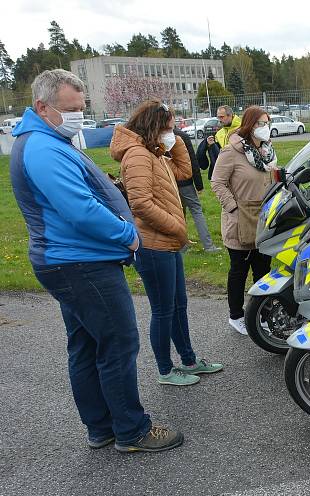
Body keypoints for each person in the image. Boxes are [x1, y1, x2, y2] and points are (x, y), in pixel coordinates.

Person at [9, 69, 182, 452]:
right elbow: (80, 210)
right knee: (119, 344)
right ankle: (132, 430)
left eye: (82, 107)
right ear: (43, 106)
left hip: (70, 261)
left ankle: (102, 426)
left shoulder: (46, 140)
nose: (79, 115)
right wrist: (128, 235)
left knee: (87, 345)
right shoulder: (42, 147)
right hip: (80, 264)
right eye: (71, 108)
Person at [111, 100, 224, 386]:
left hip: (168, 243)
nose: (173, 133)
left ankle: (188, 360)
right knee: (163, 310)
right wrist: (177, 228)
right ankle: (165, 369)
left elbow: (185, 172)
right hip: (153, 245)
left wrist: (174, 144)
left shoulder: (155, 153)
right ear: (154, 127)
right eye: (169, 128)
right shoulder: (137, 155)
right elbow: (140, 204)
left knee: (178, 305)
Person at [211, 106, 277, 335]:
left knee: (263, 271)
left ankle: (263, 314)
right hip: (240, 220)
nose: (264, 128)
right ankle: (236, 315)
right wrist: (233, 207)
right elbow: (217, 182)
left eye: (267, 123)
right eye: (260, 124)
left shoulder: (267, 151)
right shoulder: (232, 151)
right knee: (239, 270)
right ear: (249, 125)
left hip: (263, 218)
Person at [174, 125, 221, 253]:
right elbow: (192, 160)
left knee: (177, 213)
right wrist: (199, 184)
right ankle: (208, 246)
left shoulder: (155, 135)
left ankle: (182, 246)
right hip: (185, 181)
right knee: (196, 211)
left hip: (169, 181)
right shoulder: (181, 136)